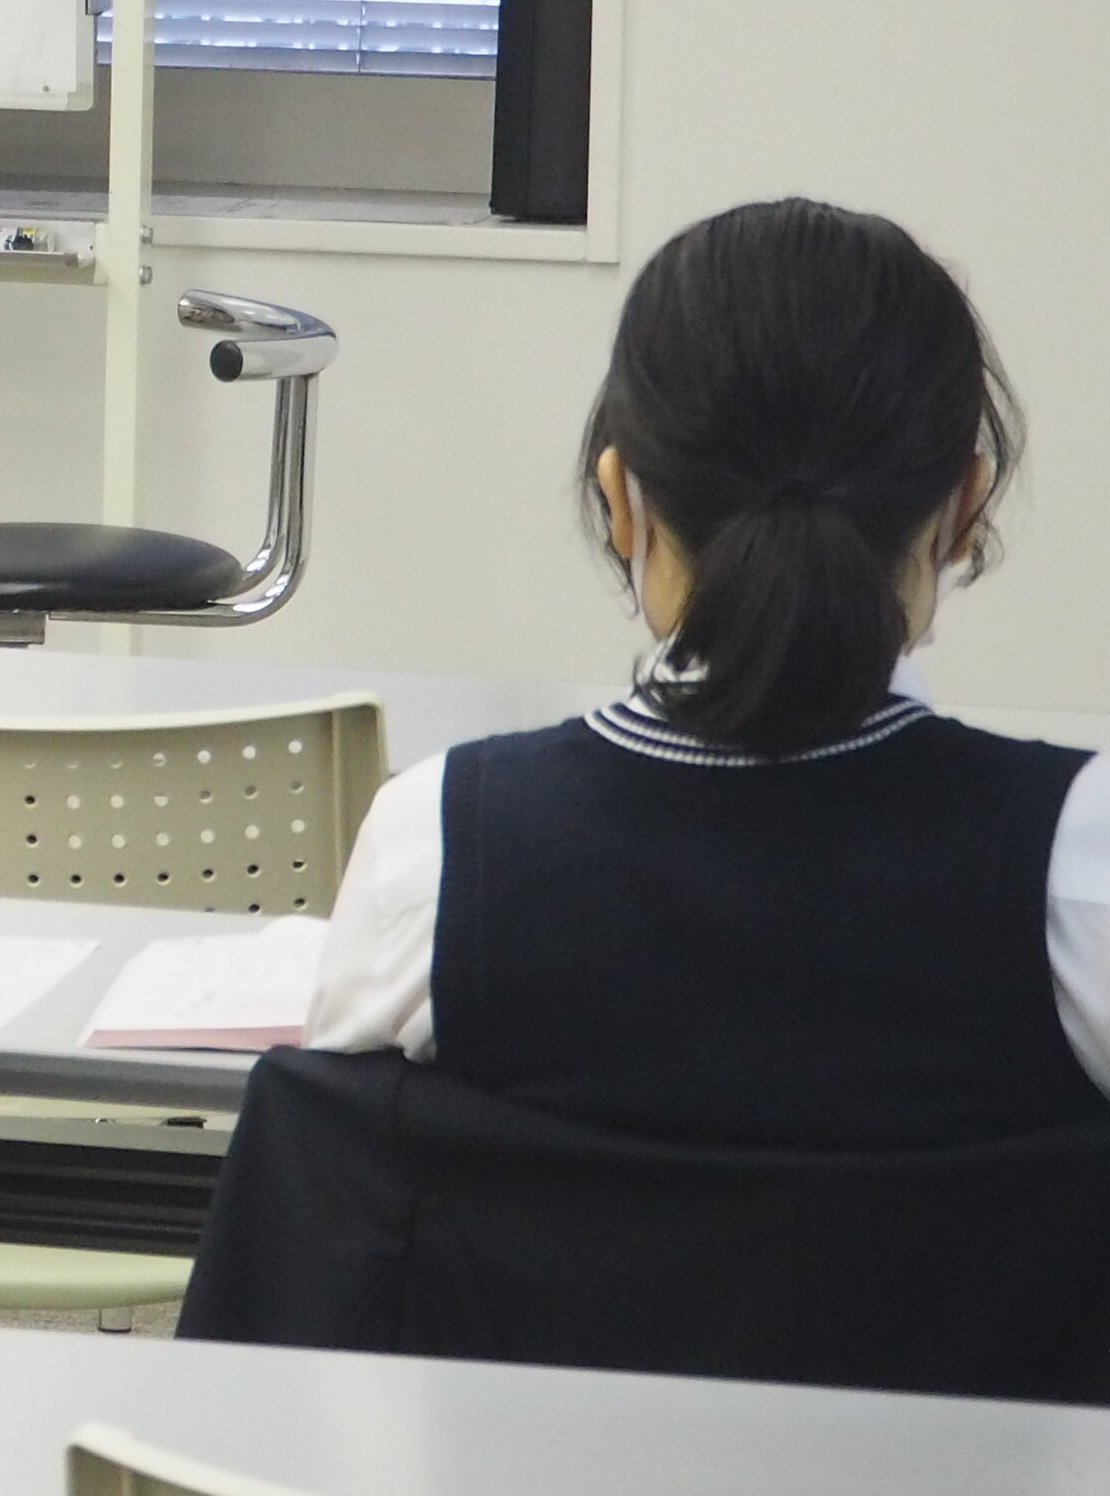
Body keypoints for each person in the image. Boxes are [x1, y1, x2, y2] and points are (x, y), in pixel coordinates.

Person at [305, 194, 1108, 1139]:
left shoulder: (440, 853)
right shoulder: (1077, 864)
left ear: (620, 502)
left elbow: (340, 1199)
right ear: (964, 509)